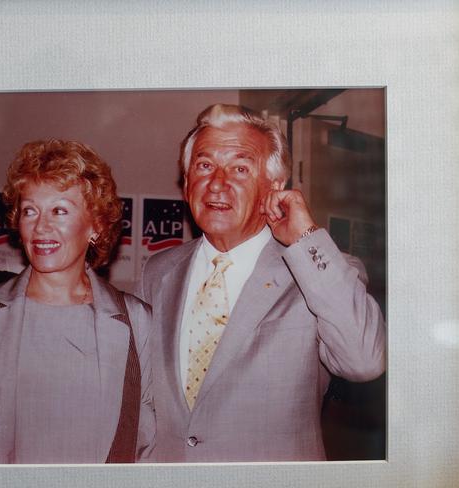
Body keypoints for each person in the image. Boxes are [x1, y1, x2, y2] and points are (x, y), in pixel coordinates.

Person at [137, 104, 386, 462]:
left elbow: (365, 360)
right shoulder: (157, 271)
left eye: (240, 168)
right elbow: (144, 398)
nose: (217, 183)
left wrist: (306, 237)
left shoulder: (315, 270)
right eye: (205, 165)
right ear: (187, 181)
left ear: (274, 185)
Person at [0, 139, 154, 464]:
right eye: (30, 211)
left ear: (94, 226)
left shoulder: (137, 321)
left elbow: (147, 449)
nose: (41, 226)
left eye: (59, 210)